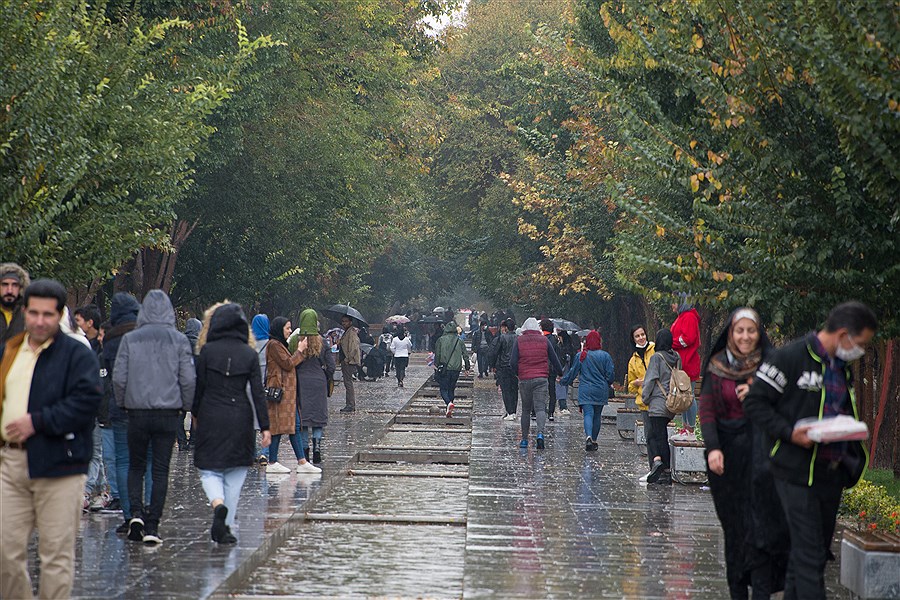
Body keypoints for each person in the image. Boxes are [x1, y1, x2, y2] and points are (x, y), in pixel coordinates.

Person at [744, 301, 877, 599]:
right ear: (844, 334)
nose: (861, 351)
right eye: (861, 343)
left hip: (831, 473)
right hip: (794, 471)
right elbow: (754, 403)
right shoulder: (790, 358)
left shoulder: (842, 369)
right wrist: (790, 433)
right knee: (807, 554)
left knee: (812, 557)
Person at [0, 279, 102, 599]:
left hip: (60, 464)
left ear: (59, 315)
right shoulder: (11, 350)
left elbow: (86, 403)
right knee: (5, 550)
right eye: (34, 313)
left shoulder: (76, 354)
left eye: (48, 314)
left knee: (56, 555)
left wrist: (39, 421)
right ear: (25, 312)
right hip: (11, 463)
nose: (40, 321)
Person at [699, 308, 788, 599]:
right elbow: (708, 411)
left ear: (759, 333)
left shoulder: (770, 367)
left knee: (762, 527)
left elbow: (785, 409)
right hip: (728, 460)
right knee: (736, 529)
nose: (746, 337)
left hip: (764, 459)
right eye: (740, 331)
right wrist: (713, 449)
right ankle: (738, 591)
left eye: (751, 331)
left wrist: (758, 396)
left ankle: (762, 591)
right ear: (731, 333)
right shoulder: (717, 366)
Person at [113, 289, 196, 544]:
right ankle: (152, 525)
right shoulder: (179, 340)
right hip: (168, 412)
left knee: (136, 466)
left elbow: (119, 377)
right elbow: (189, 379)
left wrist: (124, 402)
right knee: (160, 470)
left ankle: (135, 512)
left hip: (137, 412)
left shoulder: (131, 339)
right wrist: (185, 406)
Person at [192, 303, 270, 544]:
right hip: (240, 417)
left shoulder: (207, 352)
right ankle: (225, 526)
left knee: (209, 469)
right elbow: (257, 392)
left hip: (211, 415)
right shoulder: (249, 354)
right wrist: (265, 426)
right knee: (236, 473)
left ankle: (218, 505)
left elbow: (199, 388)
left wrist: (195, 414)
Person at [102, 293, 151, 535]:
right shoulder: (146, 335)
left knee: (123, 461)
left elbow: (112, 374)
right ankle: (150, 513)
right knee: (149, 460)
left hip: (120, 407)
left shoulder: (109, 340)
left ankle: (130, 514)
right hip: (146, 406)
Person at [265, 317, 321, 474]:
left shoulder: (279, 345)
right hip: (280, 392)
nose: (290, 331)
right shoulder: (274, 345)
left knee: (294, 426)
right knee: (278, 427)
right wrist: (300, 350)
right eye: (287, 328)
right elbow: (288, 364)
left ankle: (301, 461)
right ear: (279, 329)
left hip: (288, 394)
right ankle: (273, 461)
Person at [510, 317, 564, 449]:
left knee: (526, 410)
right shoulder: (544, 340)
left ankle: (524, 440)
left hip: (525, 379)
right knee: (540, 408)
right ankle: (540, 434)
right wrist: (560, 372)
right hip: (541, 379)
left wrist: (518, 373)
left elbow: (512, 361)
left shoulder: (519, 341)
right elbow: (554, 359)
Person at [560, 330, 614, 451]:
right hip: (600, 390)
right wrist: (607, 382)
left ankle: (588, 436)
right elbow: (610, 375)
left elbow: (573, 373)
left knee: (588, 414)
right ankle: (594, 440)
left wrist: (563, 381)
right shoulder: (605, 356)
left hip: (586, 390)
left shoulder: (581, 356)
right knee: (597, 416)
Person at [640, 330, 681, 485]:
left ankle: (663, 469)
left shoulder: (656, 357)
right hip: (671, 401)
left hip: (658, 402)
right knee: (661, 434)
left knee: (658, 436)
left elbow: (650, 379)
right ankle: (664, 469)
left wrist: (645, 397)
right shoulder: (676, 357)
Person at [295, 309, 334, 465]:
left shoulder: (296, 341)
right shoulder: (323, 342)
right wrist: (325, 375)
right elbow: (331, 366)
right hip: (319, 382)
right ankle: (317, 447)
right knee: (318, 418)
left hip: (301, 383)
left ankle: (305, 451)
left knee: (304, 418)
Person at [670, 295, 701, 430]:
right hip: (682, 362)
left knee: (689, 395)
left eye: (674, 301)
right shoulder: (681, 317)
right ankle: (685, 427)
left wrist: (672, 343)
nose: (672, 304)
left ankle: (691, 428)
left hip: (688, 362)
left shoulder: (689, 317)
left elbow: (688, 338)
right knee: (683, 396)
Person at [434, 321, 471, 417]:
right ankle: (449, 408)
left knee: (443, 389)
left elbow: (437, 354)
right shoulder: (460, 341)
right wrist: (467, 367)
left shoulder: (440, 340)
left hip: (445, 368)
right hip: (456, 368)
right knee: (451, 388)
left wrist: (437, 365)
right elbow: (465, 355)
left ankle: (448, 403)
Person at [626, 324, 656, 431]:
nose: (641, 338)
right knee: (649, 435)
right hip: (644, 402)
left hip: (658, 399)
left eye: (642, 334)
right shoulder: (633, 360)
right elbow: (631, 387)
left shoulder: (655, 350)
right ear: (633, 339)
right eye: (637, 336)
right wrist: (636, 383)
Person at [251, 314, 271, 465]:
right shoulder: (271, 345)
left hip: (250, 388)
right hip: (267, 387)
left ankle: (251, 453)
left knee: (251, 421)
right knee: (266, 420)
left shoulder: (248, 345)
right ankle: (264, 453)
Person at [489, 318, 519, 420]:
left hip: (504, 366)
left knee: (506, 390)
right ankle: (513, 411)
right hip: (515, 367)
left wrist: (492, 365)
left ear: (506, 328)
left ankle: (509, 411)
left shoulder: (502, 338)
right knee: (514, 389)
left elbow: (495, 352)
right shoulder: (518, 338)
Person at [0, 262, 29, 344]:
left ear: (20, 288)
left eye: (15, 285)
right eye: (5, 285)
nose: (9, 290)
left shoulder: (28, 313)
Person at [338, 315, 361, 413]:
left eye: (346, 321)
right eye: (343, 321)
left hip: (348, 361)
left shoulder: (351, 332)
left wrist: (348, 359)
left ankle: (350, 405)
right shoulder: (346, 332)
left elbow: (354, 348)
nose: (344, 323)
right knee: (347, 382)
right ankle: (349, 404)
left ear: (350, 322)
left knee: (348, 383)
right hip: (345, 360)